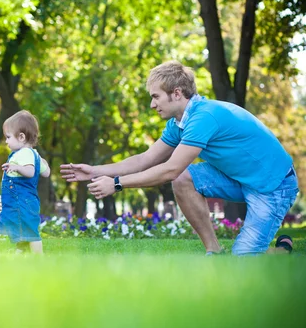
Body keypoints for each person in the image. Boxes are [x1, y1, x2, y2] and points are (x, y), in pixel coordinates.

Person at [61, 61, 299, 256]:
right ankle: (214, 251)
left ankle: (283, 250)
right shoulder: (178, 124)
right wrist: (94, 171)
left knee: (243, 260)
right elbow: (146, 159)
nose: (152, 104)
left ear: (176, 94)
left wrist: (116, 184)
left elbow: (170, 169)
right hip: (240, 178)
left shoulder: (203, 117)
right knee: (184, 179)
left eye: (156, 97)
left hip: (273, 186)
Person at [0, 110, 51, 254]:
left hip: (22, 201)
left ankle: (38, 258)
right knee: (22, 229)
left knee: (29, 231)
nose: (6, 141)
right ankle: (20, 256)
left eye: (8, 137)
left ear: (21, 137)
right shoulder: (33, 154)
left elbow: (30, 172)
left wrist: (16, 167)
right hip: (25, 201)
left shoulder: (25, 153)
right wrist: (41, 160)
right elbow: (46, 173)